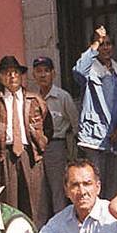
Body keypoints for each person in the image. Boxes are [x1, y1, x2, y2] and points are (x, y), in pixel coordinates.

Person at [0, 55, 53, 227]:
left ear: (21, 76)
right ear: (0, 77)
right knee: (8, 201)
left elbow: (48, 127)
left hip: (30, 155)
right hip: (3, 155)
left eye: (15, 72)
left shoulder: (35, 100)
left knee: (35, 202)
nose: (12, 76)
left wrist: (40, 144)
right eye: (7, 73)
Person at [74, 25, 117, 198]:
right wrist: (94, 43)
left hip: (115, 138)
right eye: (101, 44)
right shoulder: (89, 72)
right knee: (93, 184)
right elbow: (78, 70)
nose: (105, 47)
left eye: (108, 43)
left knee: (112, 187)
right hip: (94, 136)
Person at [31, 56, 80, 216]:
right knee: (39, 191)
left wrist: (72, 151)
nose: (43, 75)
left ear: (53, 73)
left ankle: (61, 223)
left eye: (46, 71)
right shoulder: (32, 99)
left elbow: (75, 124)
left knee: (58, 190)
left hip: (56, 146)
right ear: (33, 75)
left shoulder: (62, 97)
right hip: (36, 149)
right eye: (39, 71)